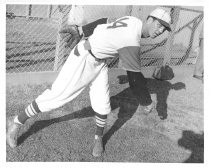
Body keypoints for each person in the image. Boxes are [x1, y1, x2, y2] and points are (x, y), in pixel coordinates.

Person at [6, 8, 171, 157]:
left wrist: (82, 30)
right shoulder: (132, 40)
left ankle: (98, 139)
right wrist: (146, 101)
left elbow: (105, 21)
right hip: (84, 59)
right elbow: (135, 80)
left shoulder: (133, 20)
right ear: (150, 19)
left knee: (103, 104)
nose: (161, 30)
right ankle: (16, 123)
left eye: (165, 28)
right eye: (160, 24)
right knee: (56, 97)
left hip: (100, 62)